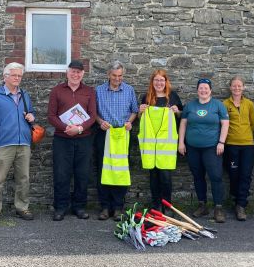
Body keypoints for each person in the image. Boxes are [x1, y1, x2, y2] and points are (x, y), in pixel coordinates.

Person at [0, 63, 35, 223]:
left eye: (19, 76)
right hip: (2, 143)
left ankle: (22, 208)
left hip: (24, 142)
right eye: (14, 75)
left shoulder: (24, 94)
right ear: (5, 77)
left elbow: (30, 114)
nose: (17, 78)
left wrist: (32, 117)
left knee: (23, 178)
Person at [47, 60, 97, 221]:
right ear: (67, 72)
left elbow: (92, 116)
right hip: (62, 139)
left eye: (79, 72)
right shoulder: (57, 90)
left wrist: (79, 128)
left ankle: (79, 207)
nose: (75, 74)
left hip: (84, 139)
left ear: (83, 74)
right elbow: (51, 116)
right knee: (61, 173)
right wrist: (65, 128)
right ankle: (60, 207)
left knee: (82, 174)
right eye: (73, 71)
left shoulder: (89, 91)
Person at [178, 78, 230, 223]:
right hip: (193, 148)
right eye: (201, 88)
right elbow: (183, 125)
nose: (203, 90)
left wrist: (221, 142)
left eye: (206, 88)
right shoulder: (190, 106)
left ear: (210, 90)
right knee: (198, 176)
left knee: (216, 177)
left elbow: (225, 124)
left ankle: (218, 208)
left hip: (212, 148)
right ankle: (202, 205)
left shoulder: (218, 105)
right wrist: (181, 142)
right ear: (197, 90)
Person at [94, 60, 139, 222]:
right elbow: (93, 113)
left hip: (122, 134)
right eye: (114, 76)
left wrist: (130, 122)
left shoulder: (129, 90)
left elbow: (135, 110)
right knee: (103, 170)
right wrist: (100, 122)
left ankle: (118, 207)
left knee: (120, 171)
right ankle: (105, 207)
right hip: (104, 134)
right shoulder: (98, 91)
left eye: (120, 76)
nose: (117, 79)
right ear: (108, 75)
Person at [138, 70, 183, 212]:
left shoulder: (173, 97)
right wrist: (140, 111)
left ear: (166, 82)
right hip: (151, 145)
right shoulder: (147, 98)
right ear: (152, 82)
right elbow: (141, 120)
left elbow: (182, 117)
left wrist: (177, 111)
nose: (159, 83)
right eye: (156, 80)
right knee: (153, 176)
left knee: (165, 176)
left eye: (161, 80)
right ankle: (155, 205)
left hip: (166, 145)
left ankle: (167, 205)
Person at [223, 76, 254, 221]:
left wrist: (245, 135)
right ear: (230, 88)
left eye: (239, 86)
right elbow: (222, 124)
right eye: (234, 86)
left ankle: (241, 205)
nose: (237, 88)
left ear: (243, 87)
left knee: (246, 174)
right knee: (233, 174)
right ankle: (236, 199)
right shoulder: (224, 104)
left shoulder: (249, 104)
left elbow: (253, 123)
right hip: (231, 145)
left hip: (247, 145)